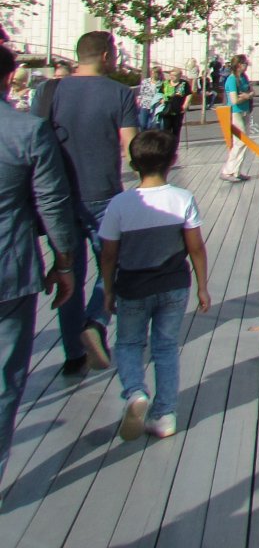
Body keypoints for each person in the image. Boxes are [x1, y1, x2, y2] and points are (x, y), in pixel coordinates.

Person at [32, 30, 137, 374]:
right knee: (116, 264)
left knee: (67, 271)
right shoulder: (119, 94)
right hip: (103, 193)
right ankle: (96, 321)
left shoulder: (48, 92)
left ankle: (73, 355)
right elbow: (132, 151)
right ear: (106, 56)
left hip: (59, 197)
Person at [99, 128, 209, 439]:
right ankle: (165, 415)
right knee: (166, 348)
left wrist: (107, 290)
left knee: (130, 344)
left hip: (133, 287)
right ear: (172, 161)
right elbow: (196, 247)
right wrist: (202, 286)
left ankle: (135, 392)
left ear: (132, 164)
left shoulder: (120, 204)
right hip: (174, 285)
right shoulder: (182, 199)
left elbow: (108, 255)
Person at [0, 44, 79, 478]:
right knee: (5, 380)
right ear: (10, 79)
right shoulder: (27, 132)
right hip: (9, 271)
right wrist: (64, 263)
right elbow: (53, 204)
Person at [219, 55, 254, 182]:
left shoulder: (244, 77)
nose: (246, 66)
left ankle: (236, 171)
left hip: (245, 111)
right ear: (239, 65)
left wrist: (248, 95)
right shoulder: (232, 80)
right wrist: (246, 96)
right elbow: (234, 100)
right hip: (235, 112)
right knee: (241, 141)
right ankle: (227, 171)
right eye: (245, 63)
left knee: (243, 142)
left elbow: (252, 91)